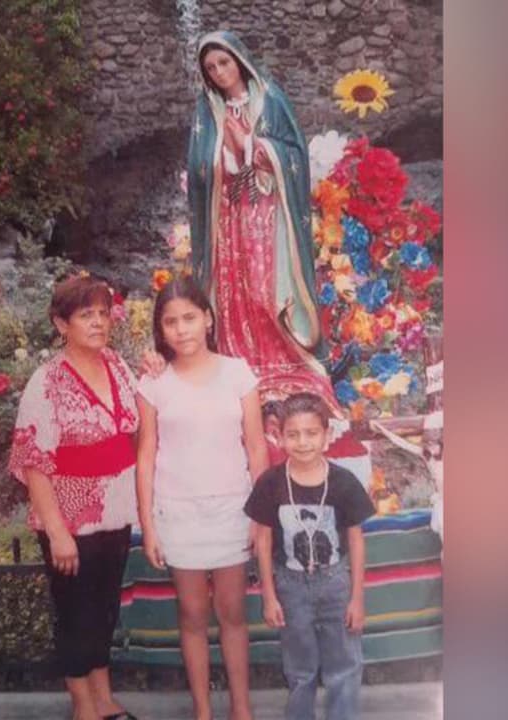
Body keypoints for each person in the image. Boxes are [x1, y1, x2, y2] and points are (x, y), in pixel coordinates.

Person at [9, 274, 142, 720]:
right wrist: (57, 530)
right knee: (75, 613)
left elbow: (137, 425)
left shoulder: (118, 366)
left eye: (103, 313)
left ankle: (105, 699)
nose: (98, 322)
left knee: (104, 609)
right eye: (86, 315)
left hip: (117, 511)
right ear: (61, 323)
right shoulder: (46, 383)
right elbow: (33, 460)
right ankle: (84, 707)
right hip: (71, 518)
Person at [136, 276, 268, 720]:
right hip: (178, 513)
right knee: (192, 614)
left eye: (190, 317)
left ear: (208, 318)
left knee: (231, 612)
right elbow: (147, 457)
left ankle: (242, 709)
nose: (181, 329)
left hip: (233, 509)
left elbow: (255, 448)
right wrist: (150, 524)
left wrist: (259, 514)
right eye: (170, 322)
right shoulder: (154, 384)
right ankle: (202, 711)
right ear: (161, 329)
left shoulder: (238, 374)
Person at [187, 30, 340, 411]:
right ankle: (242, 369)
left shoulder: (269, 99)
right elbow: (197, 165)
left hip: (270, 215)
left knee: (264, 290)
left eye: (224, 62)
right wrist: (218, 160)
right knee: (233, 292)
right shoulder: (208, 111)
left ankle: (283, 363)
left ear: (239, 60)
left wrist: (261, 149)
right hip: (229, 218)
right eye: (211, 68)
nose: (220, 72)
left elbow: (295, 153)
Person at [244, 393, 376, 720]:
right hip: (290, 588)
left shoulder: (344, 482)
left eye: (311, 433)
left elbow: (356, 541)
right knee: (300, 669)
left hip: (335, 584)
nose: (303, 443)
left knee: (344, 666)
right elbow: (262, 541)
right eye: (293, 434)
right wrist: (269, 596)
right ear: (279, 436)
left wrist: (357, 598)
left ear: (327, 435)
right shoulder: (271, 484)